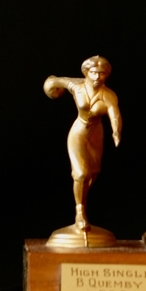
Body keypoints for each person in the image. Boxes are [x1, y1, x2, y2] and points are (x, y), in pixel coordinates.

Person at [44, 55, 122, 232]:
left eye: (101, 74)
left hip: (96, 135)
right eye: (93, 73)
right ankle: (80, 212)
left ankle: (83, 200)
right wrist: (51, 90)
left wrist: (116, 131)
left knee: (93, 174)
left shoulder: (109, 95)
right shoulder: (77, 86)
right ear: (86, 73)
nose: (97, 77)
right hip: (78, 132)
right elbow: (54, 81)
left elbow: (114, 114)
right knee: (81, 173)